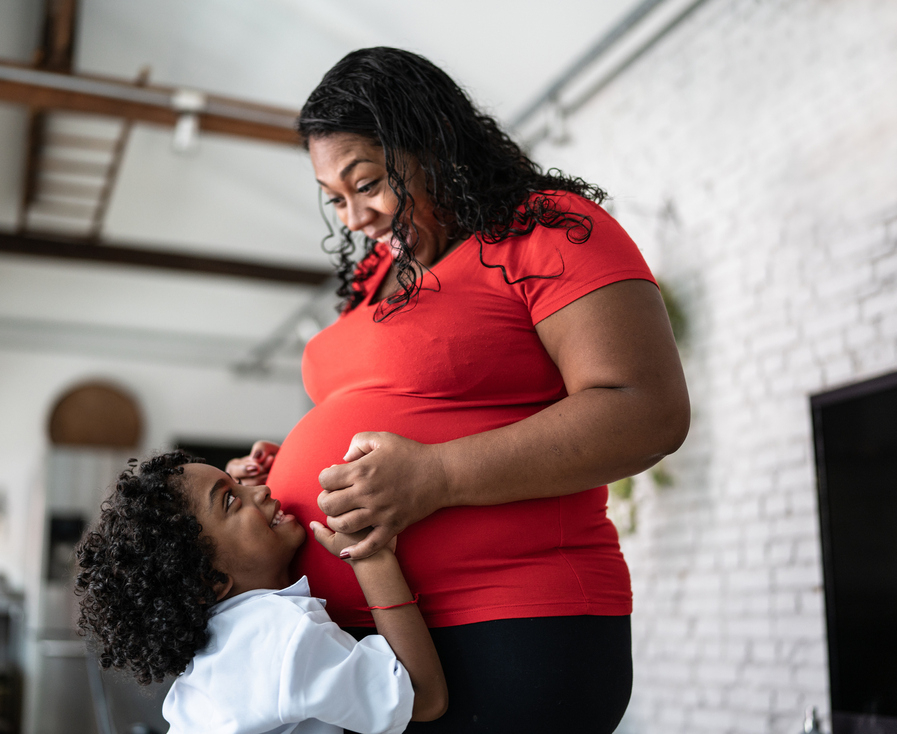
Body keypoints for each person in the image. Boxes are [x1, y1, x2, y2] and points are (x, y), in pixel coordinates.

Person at [228, 47, 690, 732]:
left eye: (369, 182)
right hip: (371, 645)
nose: (355, 216)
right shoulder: (374, 279)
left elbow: (646, 410)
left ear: (432, 142)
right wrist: (282, 474)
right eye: (335, 199)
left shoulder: (546, 231)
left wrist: (435, 475)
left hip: (511, 624)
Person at [74, 450, 448, 733]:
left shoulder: (224, 644)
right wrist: (372, 557)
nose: (263, 489)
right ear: (212, 581)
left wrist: (233, 500)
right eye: (232, 499)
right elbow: (423, 698)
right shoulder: (280, 636)